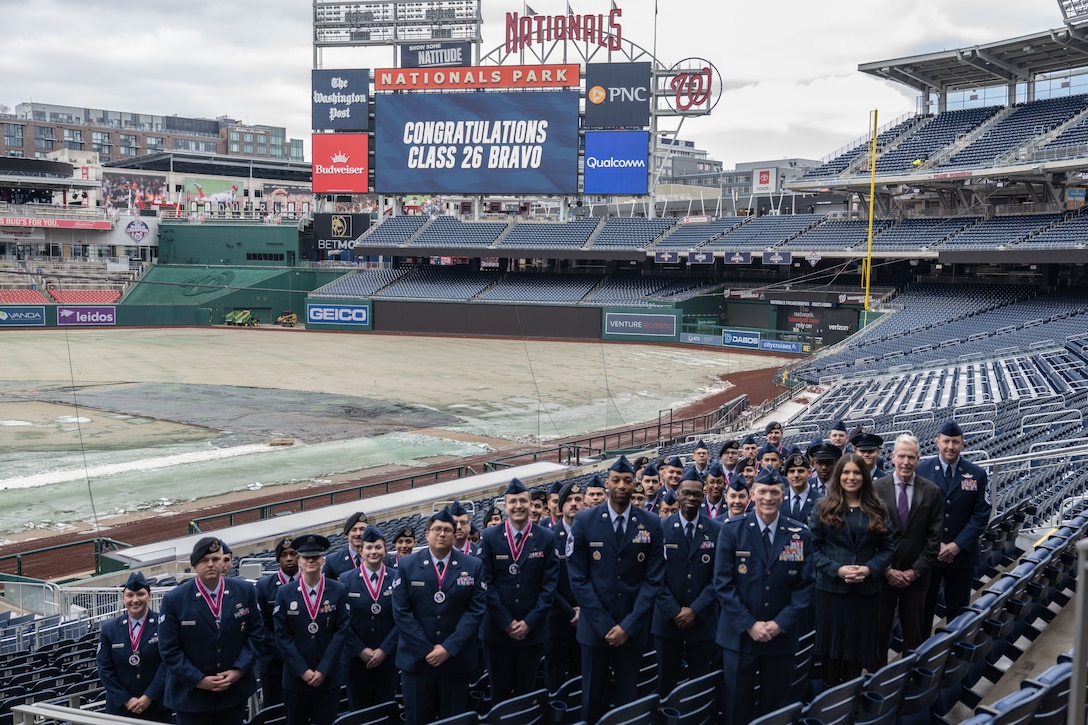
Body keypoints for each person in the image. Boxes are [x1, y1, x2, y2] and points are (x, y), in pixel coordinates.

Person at [568, 455, 665, 723]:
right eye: (616, 480)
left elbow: (653, 580)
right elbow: (578, 578)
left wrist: (628, 626)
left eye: (627, 480)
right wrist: (604, 625)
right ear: (607, 484)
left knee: (627, 699)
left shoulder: (651, 523)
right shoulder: (584, 521)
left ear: (634, 484)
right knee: (591, 697)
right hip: (594, 630)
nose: (621, 485)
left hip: (631, 630)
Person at [715, 466, 814, 724]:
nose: (768, 498)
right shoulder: (731, 530)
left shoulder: (799, 534)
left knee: (775, 709)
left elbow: (805, 586)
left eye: (774, 492)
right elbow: (723, 584)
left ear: (783, 495)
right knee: (737, 707)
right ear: (752, 495)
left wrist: (780, 623)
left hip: (779, 637)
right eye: (763, 492)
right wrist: (749, 624)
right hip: (739, 637)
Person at [392, 508, 487, 725]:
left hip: (455, 660)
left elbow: (475, 610)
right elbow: (401, 612)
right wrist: (426, 650)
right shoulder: (407, 565)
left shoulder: (473, 565)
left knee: (452, 720)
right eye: (436, 529)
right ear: (427, 535)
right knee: (417, 718)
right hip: (417, 662)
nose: (442, 534)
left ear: (455, 535)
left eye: (447, 530)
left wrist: (448, 648)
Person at [158, 537, 265, 725]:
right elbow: (169, 649)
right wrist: (199, 680)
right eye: (203, 560)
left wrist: (239, 670)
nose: (210, 565)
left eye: (215, 559)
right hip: (191, 697)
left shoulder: (245, 591)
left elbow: (256, 634)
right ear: (194, 565)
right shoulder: (174, 599)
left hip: (233, 693)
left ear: (223, 561)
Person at [810, 454, 895, 686]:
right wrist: (837, 570)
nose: (851, 477)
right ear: (839, 476)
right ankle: (829, 704)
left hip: (865, 594)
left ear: (864, 477)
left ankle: (851, 699)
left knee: (857, 653)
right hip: (831, 592)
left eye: (856, 473)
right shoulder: (822, 507)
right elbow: (812, 550)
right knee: (831, 653)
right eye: (846, 472)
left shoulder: (878, 508)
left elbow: (888, 549)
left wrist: (868, 570)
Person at [479, 478, 560, 703]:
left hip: (531, 632)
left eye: (522, 501)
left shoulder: (545, 537)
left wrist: (529, 622)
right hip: (497, 631)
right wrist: (506, 622)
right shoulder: (489, 537)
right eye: (513, 501)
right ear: (505, 506)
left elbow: (549, 585)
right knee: (499, 696)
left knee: (526, 694)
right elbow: (485, 584)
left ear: (529, 503)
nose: (518, 506)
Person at [874, 434, 942, 663]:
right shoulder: (875, 489)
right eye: (901, 456)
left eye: (911, 457)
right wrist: (887, 570)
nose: (905, 462)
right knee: (879, 633)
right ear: (892, 457)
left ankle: (910, 680)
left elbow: (934, 539)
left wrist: (914, 571)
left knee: (914, 635)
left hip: (917, 578)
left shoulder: (931, 491)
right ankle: (876, 682)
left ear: (918, 459)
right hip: (883, 576)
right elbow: (869, 536)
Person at [654, 474, 721, 697]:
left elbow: (719, 576)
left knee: (699, 685)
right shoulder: (659, 528)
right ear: (678, 495)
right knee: (666, 684)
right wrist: (674, 610)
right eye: (686, 493)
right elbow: (654, 576)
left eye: (696, 494)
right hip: (667, 620)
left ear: (703, 496)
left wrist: (695, 609)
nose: (691, 498)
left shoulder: (717, 529)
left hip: (701, 621)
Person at [273, 534, 350, 725]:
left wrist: (323, 670)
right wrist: (302, 670)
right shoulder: (285, 593)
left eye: (315, 557)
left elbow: (341, 632)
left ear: (323, 560)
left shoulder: (338, 590)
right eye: (306, 557)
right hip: (295, 678)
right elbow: (282, 635)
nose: (311, 561)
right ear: (299, 561)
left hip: (328, 677)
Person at [922, 418, 992, 625]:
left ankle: (953, 654)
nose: (950, 446)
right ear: (937, 442)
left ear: (963, 443)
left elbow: (981, 515)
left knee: (958, 613)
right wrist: (936, 544)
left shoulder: (977, 474)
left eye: (955, 442)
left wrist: (956, 545)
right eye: (946, 441)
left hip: (962, 557)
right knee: (923, 611)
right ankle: (921, 656)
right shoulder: (921, 471)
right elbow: (915, 514)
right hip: (928, 555)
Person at [97, 572, 171, 722]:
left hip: (157, 707)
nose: (135, 600)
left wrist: (149, 696)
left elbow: (168, 662)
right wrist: (126, 699)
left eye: (140, 594)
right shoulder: (109, 629)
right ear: (124, 598)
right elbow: (104, 669)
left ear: (149, 595)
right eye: (130, 595)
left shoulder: (163, 624)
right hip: (120, 709)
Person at [340, 527, 399, 712]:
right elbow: (342, 621)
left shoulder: (396, 578)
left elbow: (402, 617)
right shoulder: (345, 580)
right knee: (359, 712)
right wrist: (360, 649)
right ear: (361, 551)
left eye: (378, 547)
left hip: (387, 659)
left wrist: (384, 650)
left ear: (385, 549)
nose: (374, 552)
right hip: (355, 660)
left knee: (385, 712)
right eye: (369, 548)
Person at [546, 480, 584, 692]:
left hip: (587, 619)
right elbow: (547, 583)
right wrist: (569, 612)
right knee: (556, 680)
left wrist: (584, 609)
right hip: (557, 620)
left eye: (578, 499)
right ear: (560, 507)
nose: (574, 503)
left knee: (582, 677)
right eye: (568, 500)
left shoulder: (593, 536)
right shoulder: (549, 538)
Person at [255, 536, 300, 708]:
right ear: (278, 559)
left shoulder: (309, 582)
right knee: (276, 712)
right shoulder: (263, 587)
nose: (289, 558)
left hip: (306, 662)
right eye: (284, 555)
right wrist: (288, 653)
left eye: (293, 553)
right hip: (274, 664)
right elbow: (262, 627)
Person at [324, 512, 369, 578]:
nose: (358, 533)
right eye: (354, 530)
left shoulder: (381, 558)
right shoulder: (332, 561)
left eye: (362, 529)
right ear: (346, 535)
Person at [782, 452, 821, 528]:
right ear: (786, 475)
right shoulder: (779, 499)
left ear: (809, 473)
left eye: (800, 471)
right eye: (792, 471)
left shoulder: (821, 501)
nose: (796, 475)